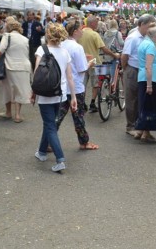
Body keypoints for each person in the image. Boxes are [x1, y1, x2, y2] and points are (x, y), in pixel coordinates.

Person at [33, 22, 77, 173]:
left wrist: (33, 93)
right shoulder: (65, 52)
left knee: (50, 125)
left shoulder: (41, 49)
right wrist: (73, 97)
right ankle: (42, 152)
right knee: (49, 123)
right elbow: (70, 77)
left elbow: (37, 74)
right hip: (60, 94)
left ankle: (60, 159)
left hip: (44, 94)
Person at [56, 19, 98, 150]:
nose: (82, 32)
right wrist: (90, 63)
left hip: (62, 85)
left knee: (58, 117)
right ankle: (84, 142)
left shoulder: (61, 45)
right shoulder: (77, 47)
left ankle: (47, 141)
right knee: (78, 116)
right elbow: (82, 69)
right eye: (81, 29)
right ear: (75, 32)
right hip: (76, 87)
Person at [120, 14, 156, 136]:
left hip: (143, 71)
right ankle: (130, 126)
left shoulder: (147, 37)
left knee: (142, 99)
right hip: (133, 69)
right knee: (131, 99)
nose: (152, 28)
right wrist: (126, 69)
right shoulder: (133, 38)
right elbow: (124, 56)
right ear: (141, 24)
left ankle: (140, 125)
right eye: (150, 25)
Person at [77, 15, 119, 113]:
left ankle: (82, 103)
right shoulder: (94, 34)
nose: (97, 25)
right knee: (95, 84)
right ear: (92, 23)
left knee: (82, 84)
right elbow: (103, 48)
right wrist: (114, 55)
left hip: (82, 61)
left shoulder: (80, 33)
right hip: (94, 62)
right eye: (96, 23)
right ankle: (92, 103)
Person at [0, 16, 32, 123]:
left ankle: (8, 112)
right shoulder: (25, 39)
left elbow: (0, 50)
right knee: (19, 91)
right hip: (24, 66)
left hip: (10, 66)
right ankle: (17, 115)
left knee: (8, 90)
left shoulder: (7, 36)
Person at [134, 24, 156, 143]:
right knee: (150, 106)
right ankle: (146, 133)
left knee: (145, 105)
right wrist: (149, 85)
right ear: (155, 35)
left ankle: (141, 131)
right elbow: (148, 66)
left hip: (144, 78)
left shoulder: (144, 43)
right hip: (150, 79)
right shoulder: (150, 46)